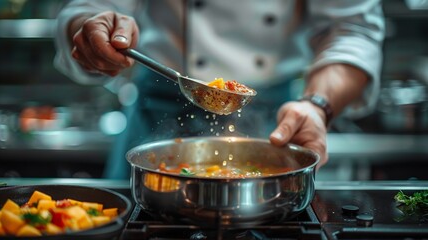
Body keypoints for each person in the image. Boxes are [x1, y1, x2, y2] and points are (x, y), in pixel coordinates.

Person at [54, 0, 385, 179]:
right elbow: (88, 8)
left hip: (277, 122)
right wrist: (92, 28)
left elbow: (353, 30)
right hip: (157, 113)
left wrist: (316, 105)